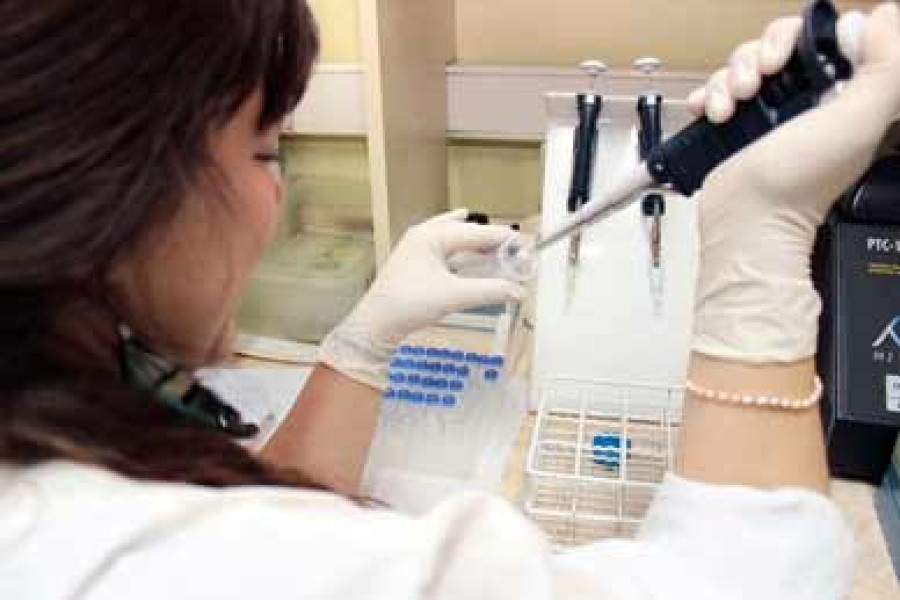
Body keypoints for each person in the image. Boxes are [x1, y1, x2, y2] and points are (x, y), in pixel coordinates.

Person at [1, 0, 898, 598]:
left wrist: (361, 344)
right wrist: (757, 250)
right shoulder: (155, 558)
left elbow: (262, 501)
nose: (275, 195)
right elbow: (743, 582)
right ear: (114, 184)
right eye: (266, 149)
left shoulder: (51, 447)